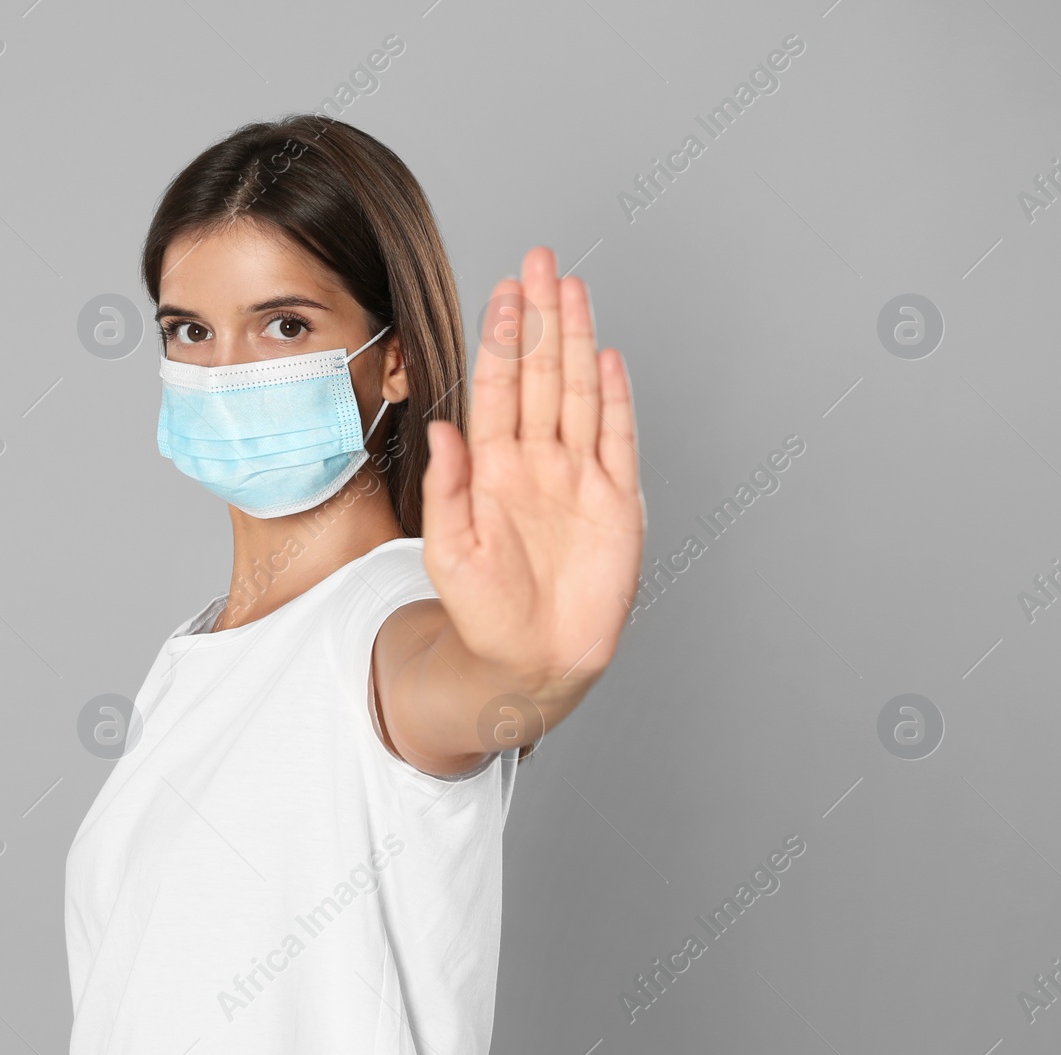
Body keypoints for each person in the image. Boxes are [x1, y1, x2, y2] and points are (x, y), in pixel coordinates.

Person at [64, 114, 645, 1054]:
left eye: (284, 324)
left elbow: (468, 686)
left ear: (397, 355)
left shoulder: (388, 626)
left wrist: (534, 663)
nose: (224, 374)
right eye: (189, 331)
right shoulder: (193, 657)